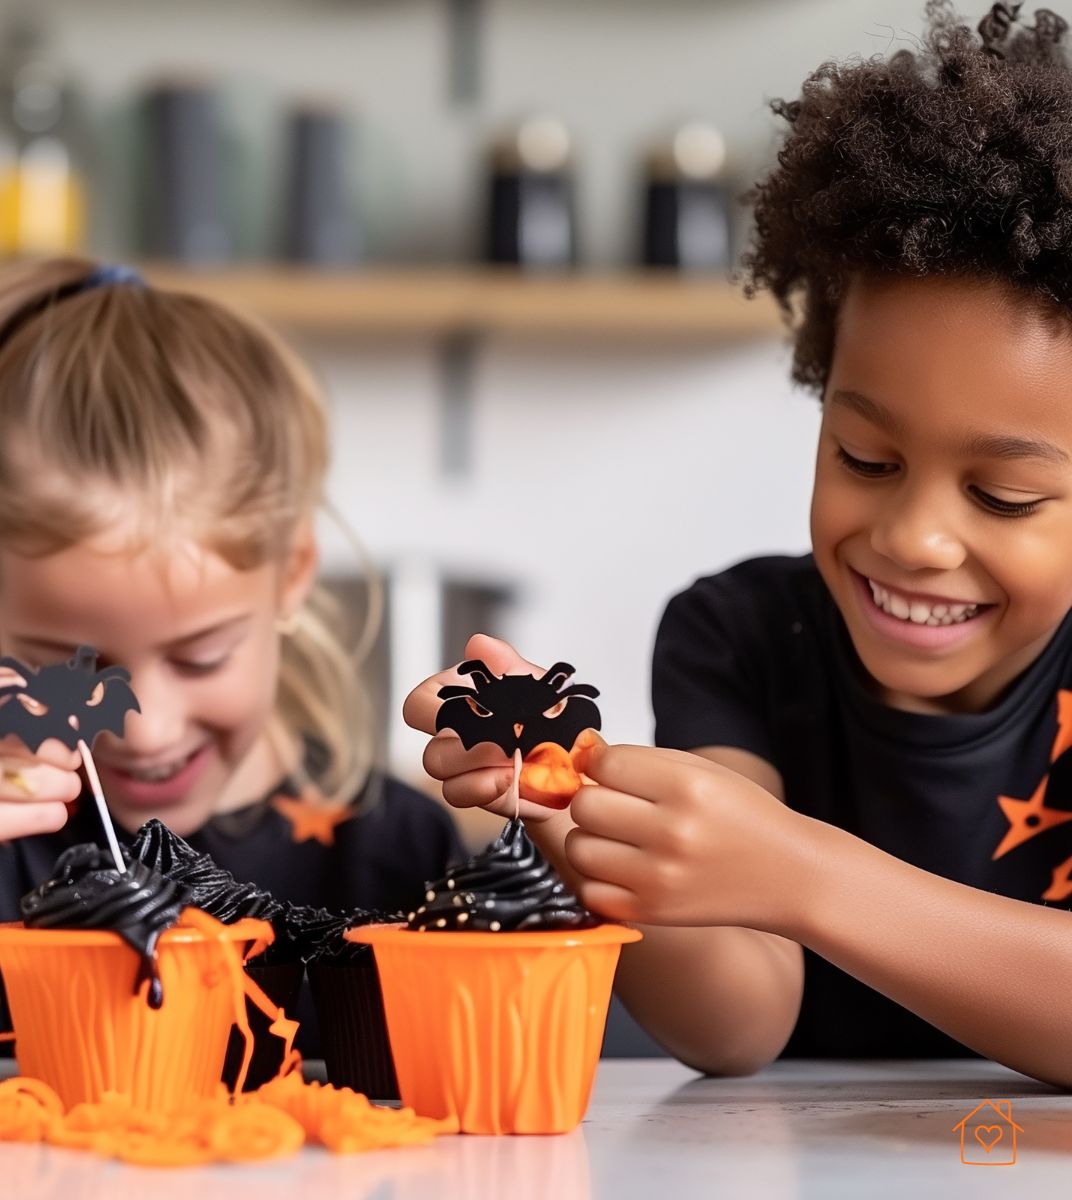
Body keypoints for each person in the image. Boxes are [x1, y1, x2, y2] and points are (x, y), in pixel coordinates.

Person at [406, 1, 1072, 1087]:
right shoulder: (744, 635)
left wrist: (803, 872)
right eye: (865, 458)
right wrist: (575, 813)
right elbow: (737, 1023)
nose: (914, 538)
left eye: (1001, 496)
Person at [0, 258, 462, 1057]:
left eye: (202, 657)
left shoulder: (395, 853)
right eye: (73, 663)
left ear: (291, 575)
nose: (145, 732)